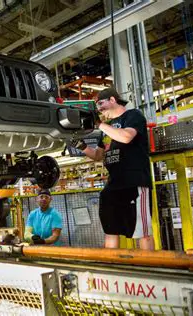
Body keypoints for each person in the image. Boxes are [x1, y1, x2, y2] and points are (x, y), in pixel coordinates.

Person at [71, 87, 154, 250]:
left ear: (113, 100)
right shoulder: (107, 128)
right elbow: (98, 155)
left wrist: (99, 124)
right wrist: (79, 145)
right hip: (113, 183)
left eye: (101, 103)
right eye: (97, 106)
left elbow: (126, 137)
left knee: (142, 231)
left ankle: (148, 268)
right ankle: (113, 266)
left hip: (134, 182)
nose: (99, 109)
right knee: (111, 229)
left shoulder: (133, 115)